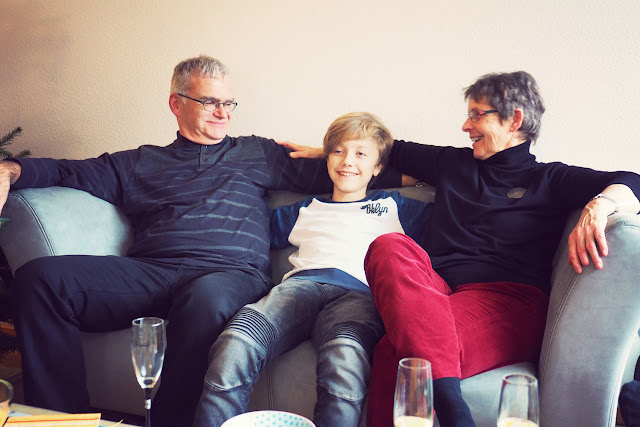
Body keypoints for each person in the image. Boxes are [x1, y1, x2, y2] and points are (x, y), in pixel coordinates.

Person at [0, 56, 400, 427]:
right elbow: (70, 172)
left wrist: (330, 153)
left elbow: (354, 170)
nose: (223, 113)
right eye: (210, 102)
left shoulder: (256, 153)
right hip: (153, 271)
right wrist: (10, 170)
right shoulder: (141, 162)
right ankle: (60, 420)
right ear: (176, 103)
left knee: (203, 300)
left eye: (229, 103)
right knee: (41, 279)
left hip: (230, 275)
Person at [282, 71, 640, 427]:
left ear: (514, 119)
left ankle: (451, 409)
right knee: (389, 245)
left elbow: (632, 181)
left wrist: (600, 205)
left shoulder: (549, 179)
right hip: (436, 294)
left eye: (477, 114)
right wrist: (330, 153)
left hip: (508, 300)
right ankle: (454, 410)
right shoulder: (452, 164)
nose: (466, 126)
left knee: (393, 353)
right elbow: (385, 150)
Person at [192, 112, 432, 427]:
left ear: (378, 167)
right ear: (327, 158)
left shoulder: (396, 206)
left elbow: (455, 186)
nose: (347, 161)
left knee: (345, 357)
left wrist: (407, 178)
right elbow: (243, 228)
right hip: (298, 288)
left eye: (360, 154)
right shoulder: (304, 209)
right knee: (237, 340)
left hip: (359, 295)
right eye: (338, 151)